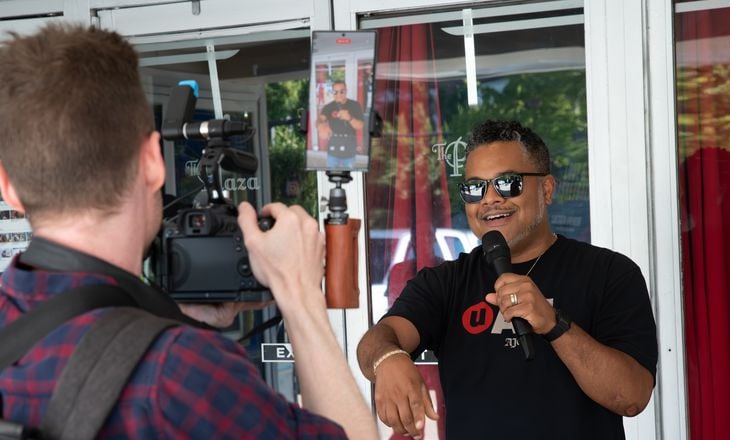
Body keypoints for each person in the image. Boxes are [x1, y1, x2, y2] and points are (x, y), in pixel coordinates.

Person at [0, 24, 378, 439]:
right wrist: (300, 296)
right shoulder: (180, 373)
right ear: (151, 161)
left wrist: (181, 322)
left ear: (8, 188)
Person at [357, 120, 658, 438]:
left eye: (507, 184)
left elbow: (632, 398)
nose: (489, 200)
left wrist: (554, 324)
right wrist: (388, 358)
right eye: (475, 188)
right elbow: (375, 342)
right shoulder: (446, 283)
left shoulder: (609, 273)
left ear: (546, 189)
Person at [317, 81, 365, 169]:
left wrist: (350, 118)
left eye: (341, 91)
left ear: (346, 91)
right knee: (331, 176)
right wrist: (322, 126)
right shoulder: (328, 107)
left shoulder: (355, 105)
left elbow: (360, 126)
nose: (338, 94)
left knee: (350, 178)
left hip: (350, 151)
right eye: (335, 92)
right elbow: (320, 119)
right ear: (332, 92)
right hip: (333, 151)